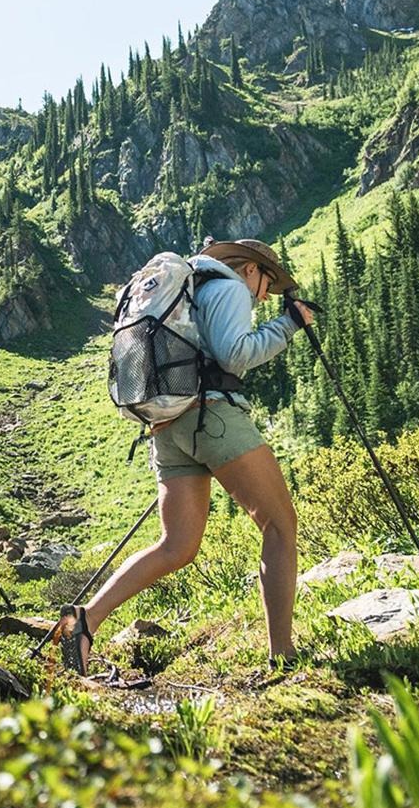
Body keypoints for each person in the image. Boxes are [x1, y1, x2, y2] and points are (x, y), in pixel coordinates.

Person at [58, 238, 315, 674]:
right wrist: (288, 325)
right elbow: (235, 356)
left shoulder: (189, 289)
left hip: (167, 426)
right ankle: (283, 654)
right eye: (267, 285)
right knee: (279, 525)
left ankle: (85, 621)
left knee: (176, 546)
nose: (265, 296)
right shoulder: (231, 287)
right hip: (213, 418)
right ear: (251, 269)